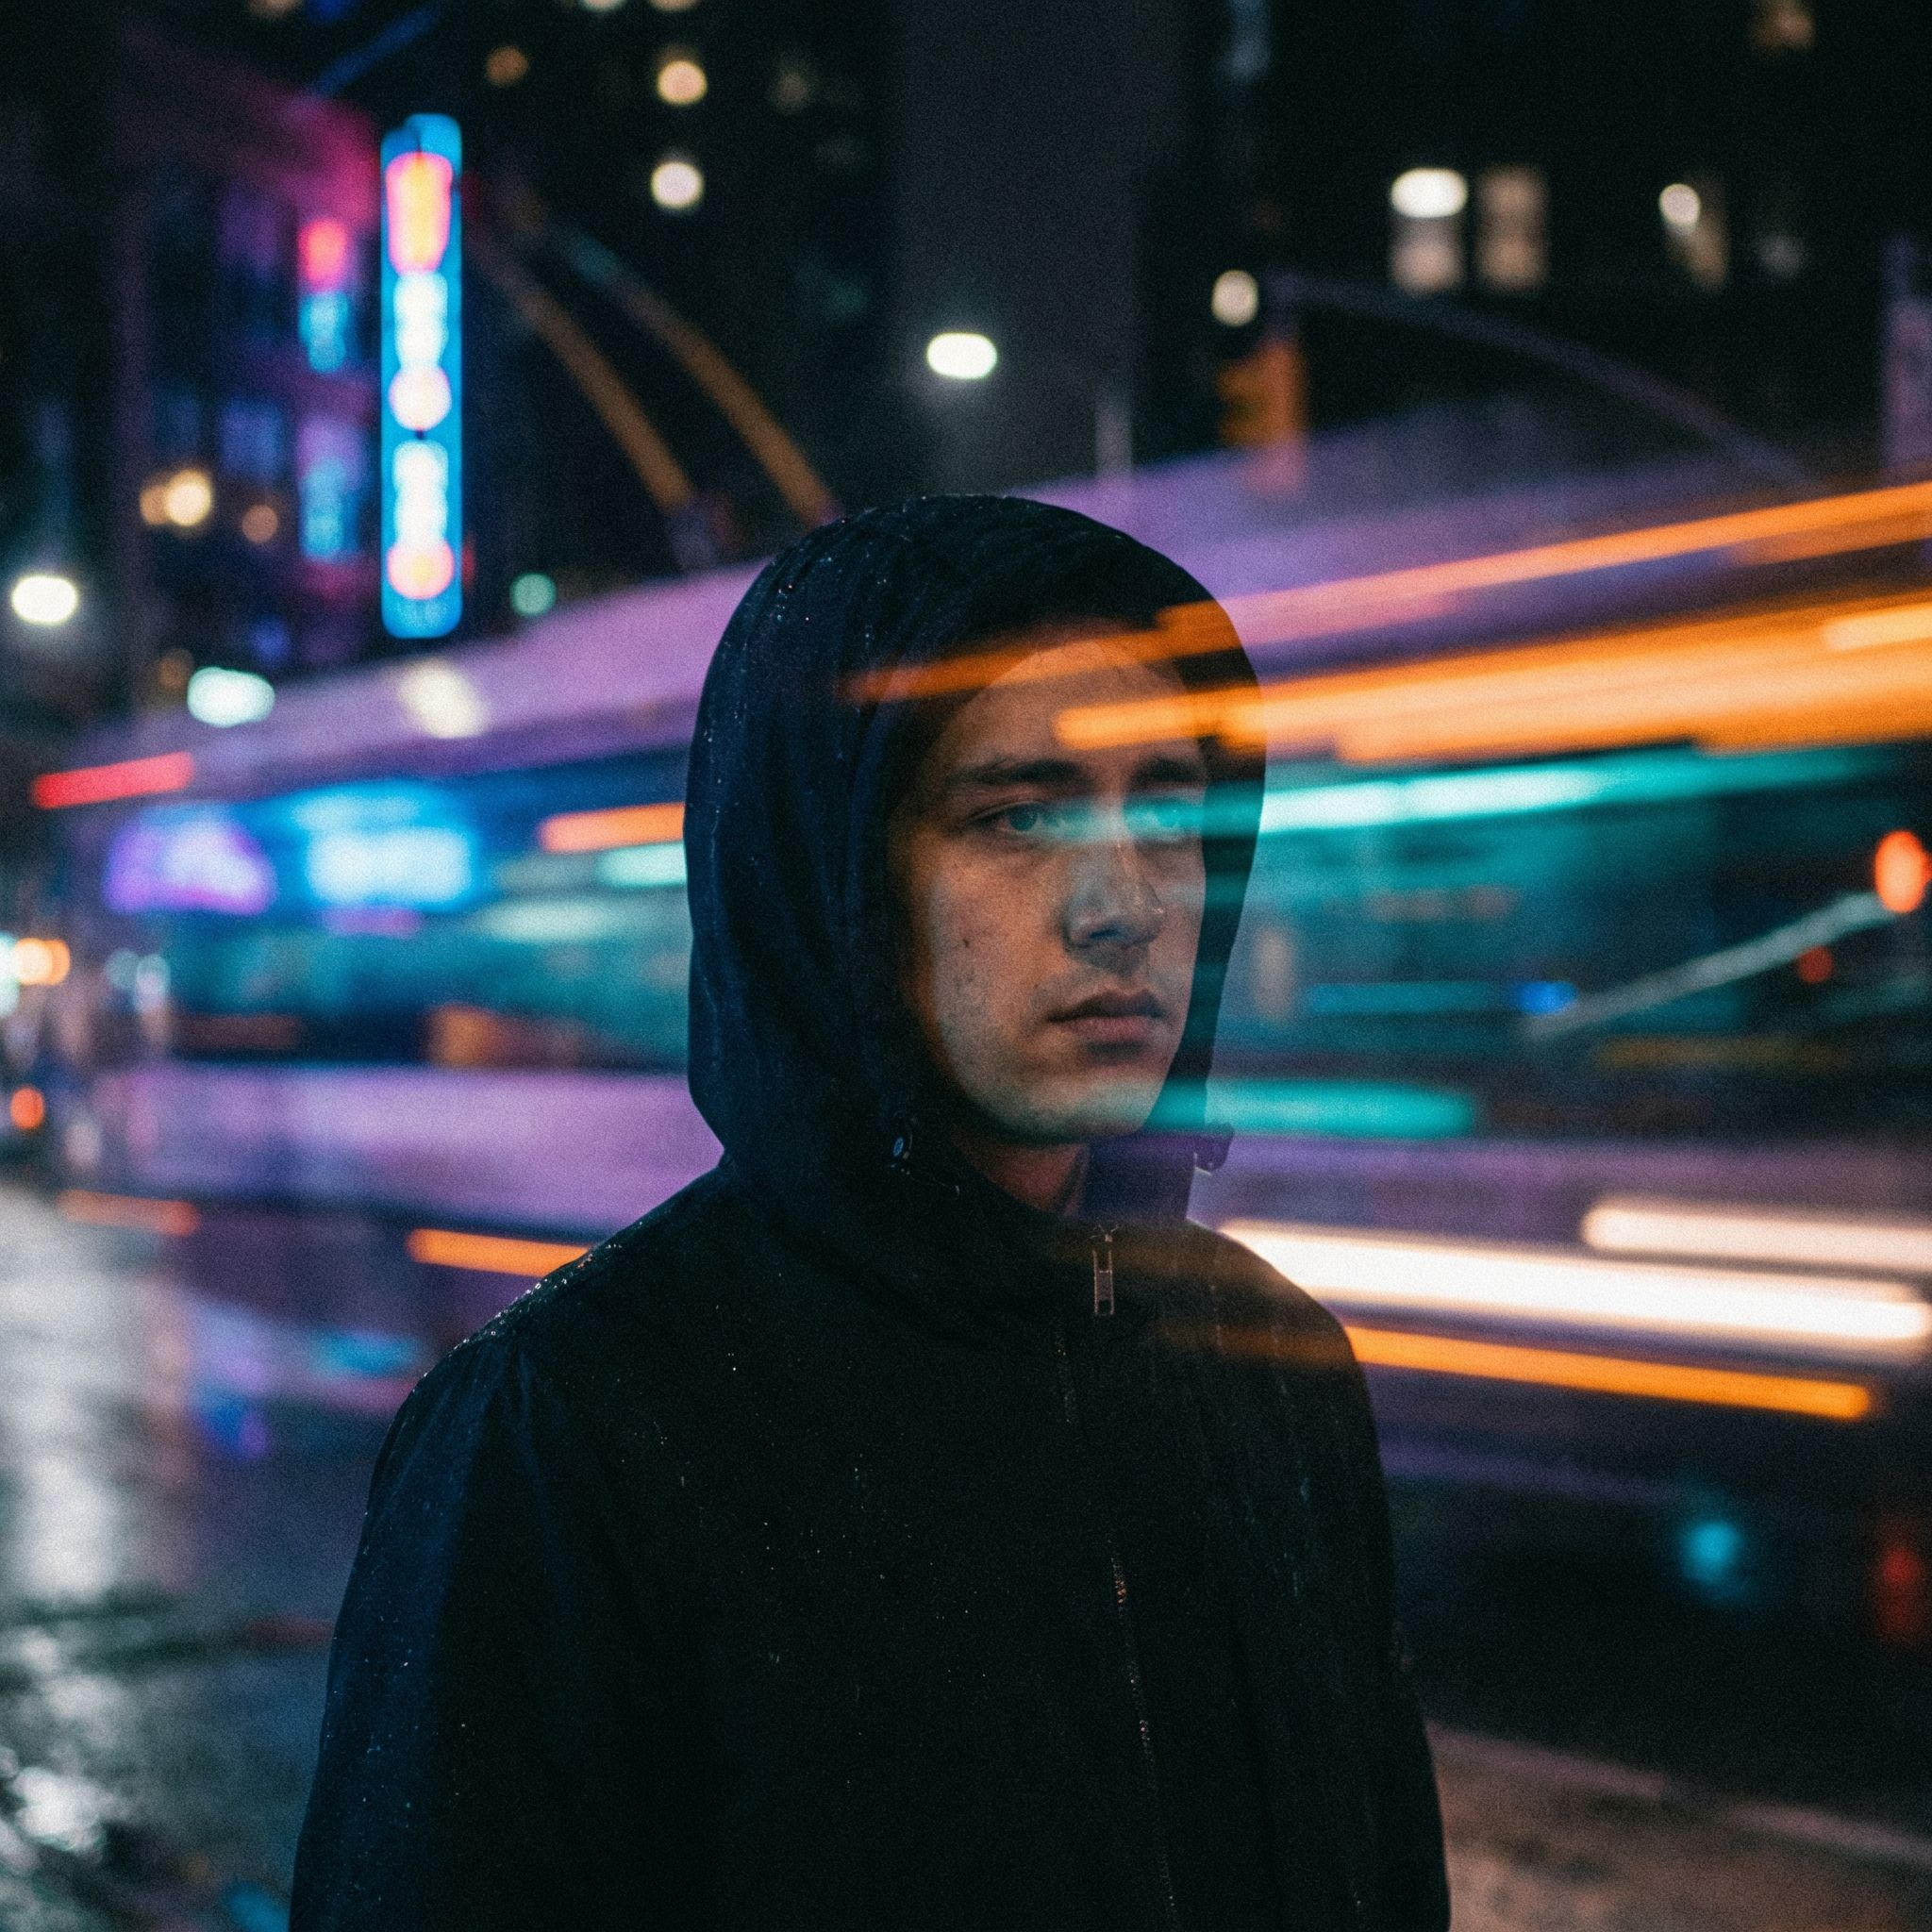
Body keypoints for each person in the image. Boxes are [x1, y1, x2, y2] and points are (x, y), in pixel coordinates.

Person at [291, 495, 1448, 1931]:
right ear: (831, 883)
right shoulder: (570, 1429)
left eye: (1166, 807)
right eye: (1017, 814)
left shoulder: (1268, 1366)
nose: (1123, 902)